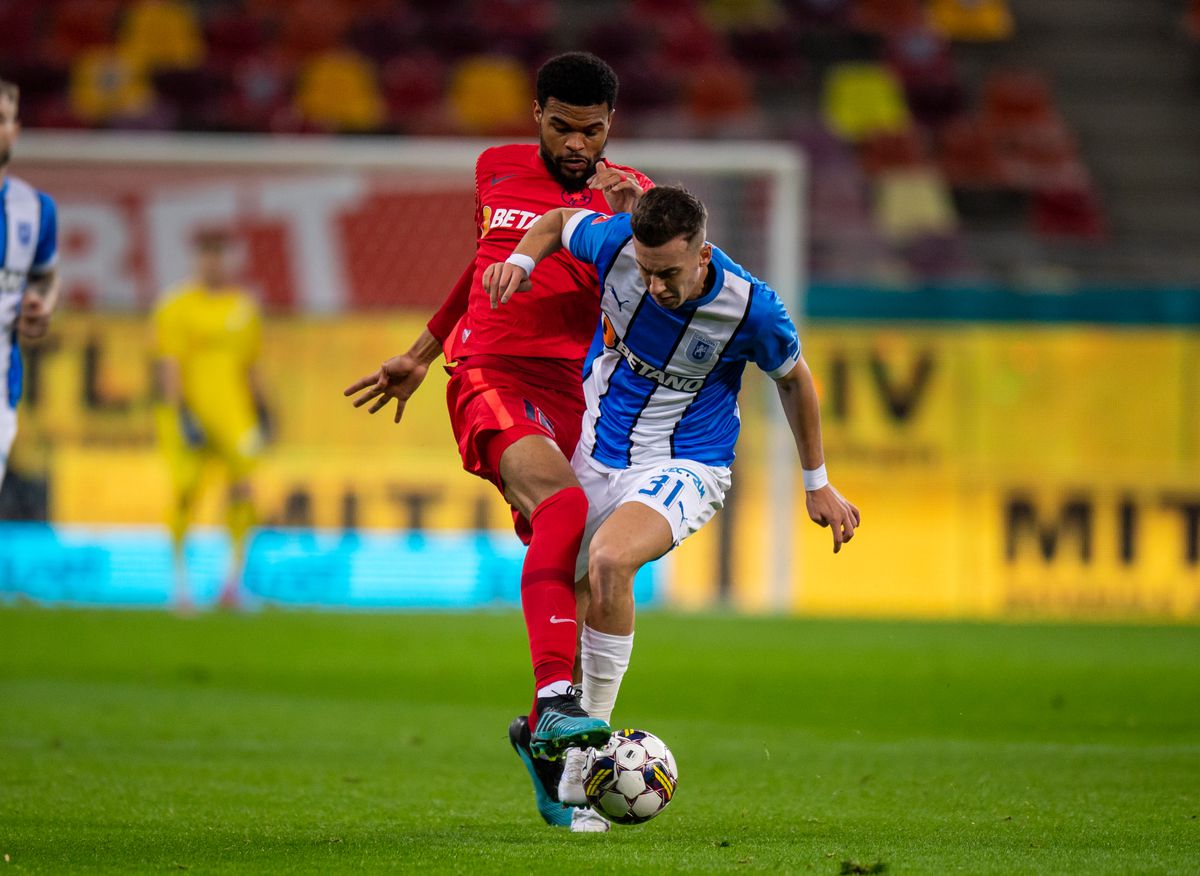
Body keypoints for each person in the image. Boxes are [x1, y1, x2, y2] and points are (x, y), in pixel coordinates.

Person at [344, 52, 651, 832]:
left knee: (578, 560)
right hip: (486, 368)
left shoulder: (635, 196)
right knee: (565, 504)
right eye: (561, 126)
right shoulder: (496, 168)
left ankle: (547, 757)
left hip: (574, 394)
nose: (576, 144)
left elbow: (668, 285)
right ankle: (556, 700)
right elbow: (481, 263)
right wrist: (424, 349)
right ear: (536, 117)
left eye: (591, 130)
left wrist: (632, 229)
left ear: (609, 126)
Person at [482, 185, 861, 806]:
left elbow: (795, 382)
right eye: (648, 270)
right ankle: (547, 734)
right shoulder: (616, 244)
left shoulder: (751, 309)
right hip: (598, 457)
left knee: (610, 560)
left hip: (687, 463)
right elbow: (553, 222)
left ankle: (586, 753)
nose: (657, 285)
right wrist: (520, 264)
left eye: (671, 273)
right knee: (568, 594)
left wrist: (816, 482)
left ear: (703, 254)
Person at [153, 228, 267, 613]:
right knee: (186, 491)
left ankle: (232, 584)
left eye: (219, 254)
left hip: (234, 414)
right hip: (190, 413)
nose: (212, 262)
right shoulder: (177, 307)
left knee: (243, 491)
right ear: (196, 259)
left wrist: (264, 410)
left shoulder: (243, 308)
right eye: (206, 254)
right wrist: (182, 412)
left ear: (229, 259)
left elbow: (252, 365)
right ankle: (180, 586)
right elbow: (169, 364)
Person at [0, 79, 60, 490]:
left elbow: (45, 276)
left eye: (1, 119)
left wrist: (41, 306)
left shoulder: (36, 210)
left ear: (15, 131)